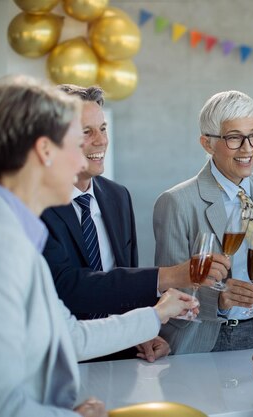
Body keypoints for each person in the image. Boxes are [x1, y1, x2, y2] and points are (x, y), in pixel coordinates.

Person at [0, 75, 199, 417]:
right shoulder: (3, 246)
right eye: (75, 144)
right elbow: (2, 404)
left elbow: (69, 336)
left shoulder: (20, 233)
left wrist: (156, 315)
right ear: (45, 150)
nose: (82, 162)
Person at [39, 85, 226, 362]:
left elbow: (123, 276)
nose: (101, 140)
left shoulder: (117, 196)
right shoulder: (37, 204)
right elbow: (68, 286)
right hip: (62, 360)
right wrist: (172, 275)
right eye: (86, 132)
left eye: (103, 129)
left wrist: (143, 331)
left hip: (121, 358)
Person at [153, 90, 253, 353]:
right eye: (234, 138)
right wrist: (218, 300)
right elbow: (168, 288)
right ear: (207, 144)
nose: (248, 148)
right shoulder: (176, 202)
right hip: (206, 339)